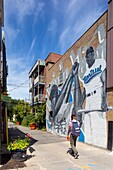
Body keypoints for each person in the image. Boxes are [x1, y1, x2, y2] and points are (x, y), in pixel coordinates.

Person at [80, 46, 108, 112]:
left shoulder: (100, 63)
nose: (87, 59)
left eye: (89, 56)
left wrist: (104, 99)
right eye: (86, 57)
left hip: (97, 96)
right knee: (88, 121)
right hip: (88, 100)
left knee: (97, 120)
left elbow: (104, 82)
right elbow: (84, 91)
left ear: (93, 54)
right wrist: (80, 104)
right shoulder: (86, 74)